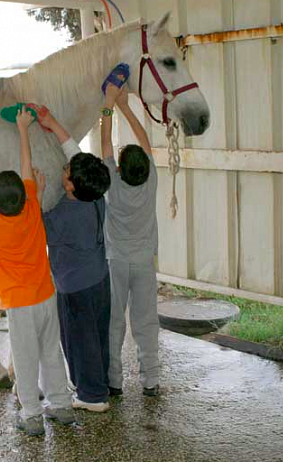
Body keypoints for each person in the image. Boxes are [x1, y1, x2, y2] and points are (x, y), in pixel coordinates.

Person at [0, 106, 74, 436]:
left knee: (24, 358)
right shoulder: (32, 207)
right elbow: (26, 168)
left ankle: (32, 416)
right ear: (26, 195)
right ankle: (62, 406)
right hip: (46, 296)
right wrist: (23, 129)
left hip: (20, 305)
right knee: (52, 351)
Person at [35, 109, 113, 413]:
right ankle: (95, 385)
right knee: (97, 337)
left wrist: (38, 193)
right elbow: (80, 160)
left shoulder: (65, 215)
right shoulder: (95, 195)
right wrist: (54, 124)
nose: (64, 167)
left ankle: (92, 397)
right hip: (99, 281)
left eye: (66, 171)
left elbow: (39, 228)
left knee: (79, 341)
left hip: (75, 288)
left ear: (69, 186)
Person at [100, 76, 160, 397]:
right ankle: (150, 380)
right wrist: (125, 105)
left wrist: (109, 105)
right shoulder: (151, 181)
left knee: (114, 323)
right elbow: (144, 138)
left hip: (116, 261)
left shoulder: (112, 181)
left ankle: (114, 381)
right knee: (146, 322)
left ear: (119, 167)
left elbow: (105, 144)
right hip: (144, 261)